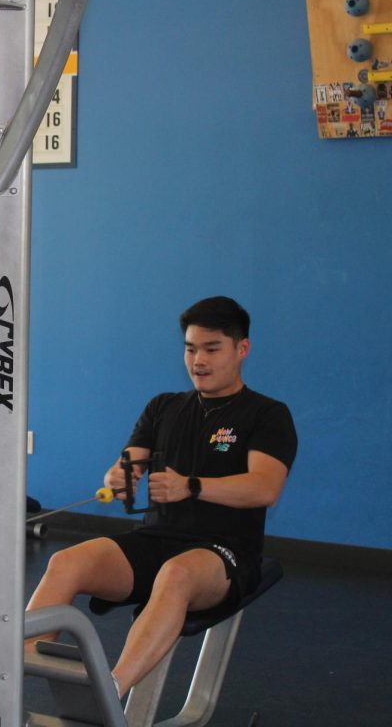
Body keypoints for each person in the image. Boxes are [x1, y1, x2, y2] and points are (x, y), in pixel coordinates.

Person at [25, 296, 297, 699]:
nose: (198, 360)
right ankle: (12, 670)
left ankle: (110, 693)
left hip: (225, 552)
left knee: (177, 574)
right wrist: (119, 476)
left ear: (242, 349)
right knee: (66, 563)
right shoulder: (165, 407)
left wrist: (191, 485)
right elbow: (128, 463)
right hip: (156, 540)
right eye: (190, 349)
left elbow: (265, 488)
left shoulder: (266, 414)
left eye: (211, 349)